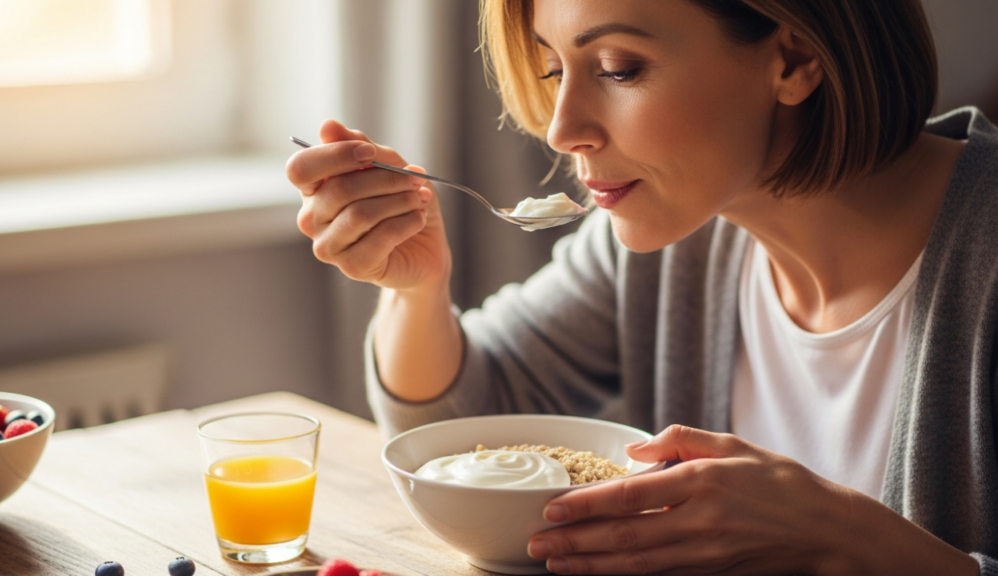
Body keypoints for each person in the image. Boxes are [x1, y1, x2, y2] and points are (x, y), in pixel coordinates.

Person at [287, 0, 997, 573]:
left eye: (620, 69)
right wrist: (416, 286)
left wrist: (844, 536)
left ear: (795, 57)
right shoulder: (674, 235)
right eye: (552, 70)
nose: (563, 129)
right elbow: (455, 438)